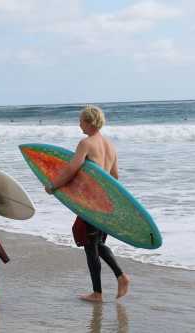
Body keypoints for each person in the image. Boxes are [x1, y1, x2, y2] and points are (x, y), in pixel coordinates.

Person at [45, 105, 130, 302]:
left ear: (89, 122)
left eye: (81, 120)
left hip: (92, 204)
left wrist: (53, 186)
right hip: (106, 203)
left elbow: (71, 169)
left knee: (91, 247)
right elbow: (115, 177)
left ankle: (99, 292)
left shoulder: (86, 143)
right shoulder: (110, 145)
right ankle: (120, 277)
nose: (79, 124)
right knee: (96, 243)